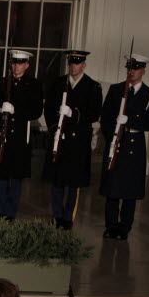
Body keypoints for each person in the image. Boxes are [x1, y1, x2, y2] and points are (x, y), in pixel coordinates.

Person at [99, 54, 149, 240]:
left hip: (135, 144)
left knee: (130, 190)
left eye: (136, 68)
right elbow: (105, 117)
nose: (132, 72)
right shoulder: (116, 89)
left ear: (143, 71)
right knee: (112, 188)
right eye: (130, 68)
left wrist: (131, 121)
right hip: (116, 142)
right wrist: (112, 136)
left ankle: (125, 227)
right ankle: (111, 226)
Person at [41, 50, 102, 230]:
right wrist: (55, 128)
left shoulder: (92, 86)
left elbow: (94, 113)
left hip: (78, 141)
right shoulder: (59, 83)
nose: (73, 66)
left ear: (83, 65)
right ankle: (57, 216)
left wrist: (74, 114)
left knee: (74, 182)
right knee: (57, 179)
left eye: (77, 63)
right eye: (71, 63)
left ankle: (68, 217)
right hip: (60, 137)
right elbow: (49, 108)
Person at [0, 50, 42, 220]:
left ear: (26, 65)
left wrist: (16, 110)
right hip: (3, 133)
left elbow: (36, 111)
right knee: (2, 174)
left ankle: (11, 211)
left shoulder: (33, 85)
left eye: (20, 63)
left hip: (20, 135)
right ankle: (0, 210)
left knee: (16, 176)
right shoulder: (2, 83)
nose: (16, 66)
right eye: (14, 63)